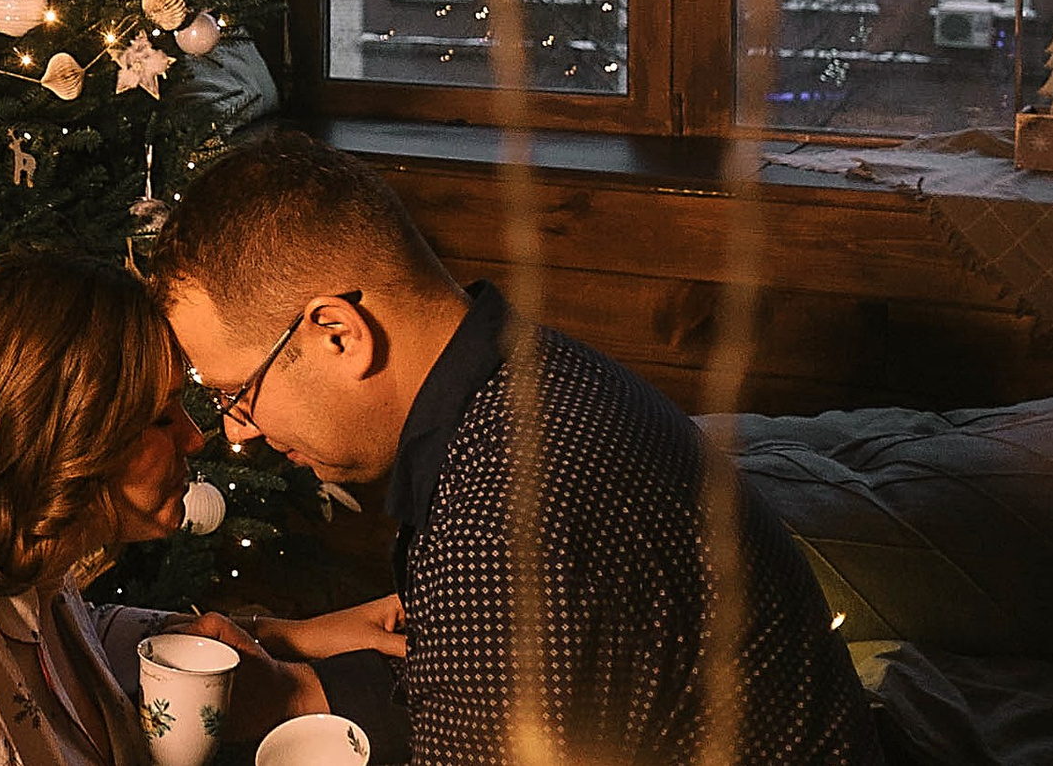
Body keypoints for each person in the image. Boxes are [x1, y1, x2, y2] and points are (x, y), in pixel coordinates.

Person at [151, 131, 882, 766]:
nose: (237, 429)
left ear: (338, 333)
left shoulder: (505, 522)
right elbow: (496, 688)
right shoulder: (522, 374)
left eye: (236, 390)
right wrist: (299, 681)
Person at [0, 249, 399, 764]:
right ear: (69, 438)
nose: (195, 437)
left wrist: (286, 636)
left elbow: (75, 648)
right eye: (159, 417)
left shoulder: (20, 566)